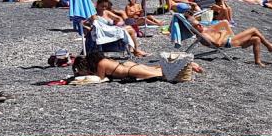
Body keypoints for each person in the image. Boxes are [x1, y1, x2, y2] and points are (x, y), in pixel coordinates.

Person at [194, 19, 272, 66]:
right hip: (228, 43)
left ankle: (258, 61)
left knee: (256, 39)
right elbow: (218, 44)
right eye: (197, 25)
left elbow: (223, 24)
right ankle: (269, 46)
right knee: (254, 29)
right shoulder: (203, 35)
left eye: (199, 23)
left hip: (229, 39)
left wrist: (223, 31)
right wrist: (222, 33)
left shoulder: (203, 31)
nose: (200, 25)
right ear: (193, 28)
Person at [72, 51, 201, 82]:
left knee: (164, 76)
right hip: (130, 66)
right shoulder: (105, 60)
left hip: (131, 71)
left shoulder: (101, 64)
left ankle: (186, 64)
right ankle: (187, 63)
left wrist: (83, 76)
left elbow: (99, 79)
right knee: (160, 68)